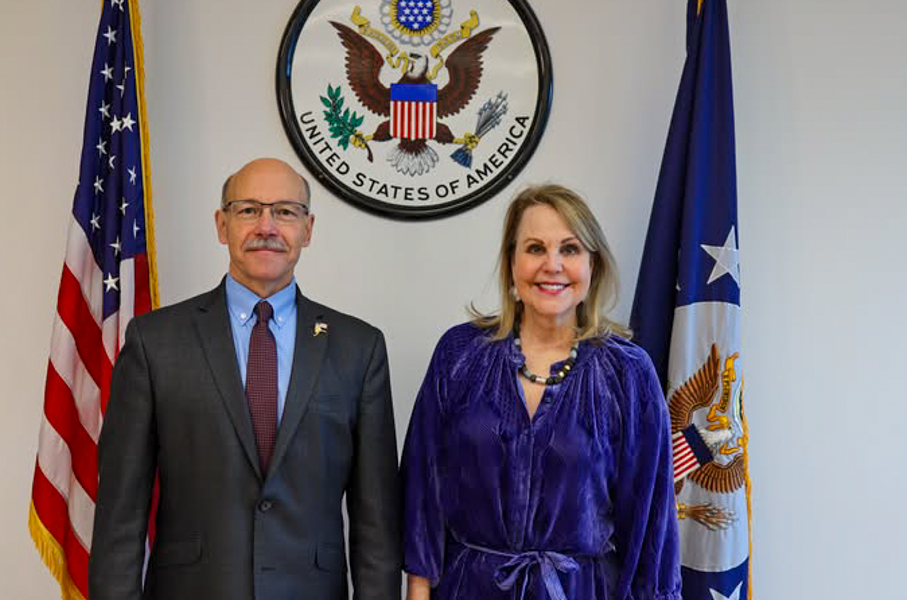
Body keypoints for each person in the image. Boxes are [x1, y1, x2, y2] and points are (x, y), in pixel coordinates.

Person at [89, 158, 402, 600]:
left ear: (308, 229)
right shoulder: (154, 342)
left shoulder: (358, 349)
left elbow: (378, 525)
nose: (267, 226)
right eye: (249, 210)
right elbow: (121, 516)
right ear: (222, 225)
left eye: (286, 212)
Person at [401, 184, 681, 600]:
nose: (552, 265)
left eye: (569, 249)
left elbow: (651, 520)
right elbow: (423, 490)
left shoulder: (628, 371)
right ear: (512, 263)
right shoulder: (460, 354)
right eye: (535, 248)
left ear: (593, 265)